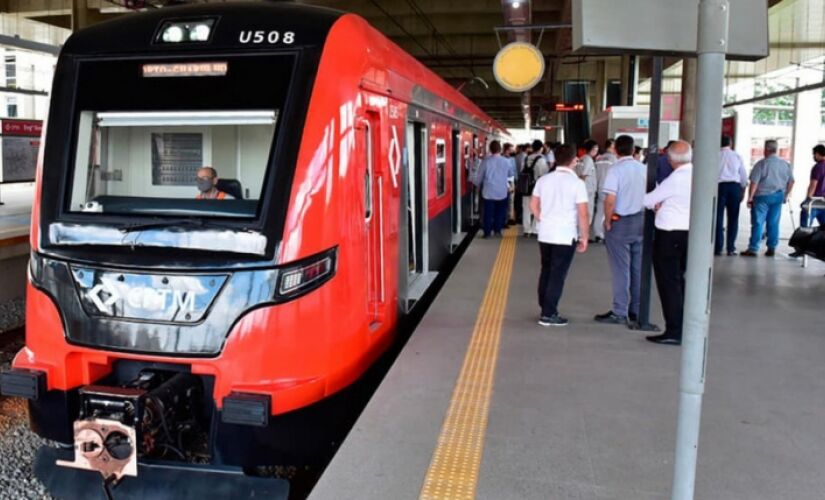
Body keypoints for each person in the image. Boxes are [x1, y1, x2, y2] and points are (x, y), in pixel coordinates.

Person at [530, 144, 589, 326]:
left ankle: (544, 306)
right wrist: (584, 236)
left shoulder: (544, 180)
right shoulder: (577, 184)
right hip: (565, 235)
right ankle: (549, 314)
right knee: (558, 274)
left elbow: (533, 205)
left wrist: (544, 218)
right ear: (574, 161)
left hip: (545, 234)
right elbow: (583, 213)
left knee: (546, 270)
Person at [642, 141, 693, 346]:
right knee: (681, 281)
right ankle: (685, 326)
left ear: (670, 160)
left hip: (670, 236)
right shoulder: (698, 175)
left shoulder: (676, 179)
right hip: (690, 234)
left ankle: (674, 330)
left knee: (668, 284)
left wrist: (658, 203)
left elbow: (648, 200)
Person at [595, 135, 646, 326]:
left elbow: (610, 200)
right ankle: (636, 309)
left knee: (620, 268)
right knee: (637, 267)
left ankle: (619, 310)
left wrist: (607, 222)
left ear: (616, 150)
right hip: (641, 220)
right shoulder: (644, 169)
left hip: (621, 222)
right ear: (634, 150)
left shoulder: (615, 170)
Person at [742, 140, 794, 257]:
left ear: (766, 149)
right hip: (778, 196)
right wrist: (786, 195)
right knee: (774, 223)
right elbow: (791, 181)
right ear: (776, 150)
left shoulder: (761, 164)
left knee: (758, 222)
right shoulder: (785, 164)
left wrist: (750, 197)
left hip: (762, 197)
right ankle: (771, 247)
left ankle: (753, 248)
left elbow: (754, 183)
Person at [473, 140, 515, 238]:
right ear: (500, 150)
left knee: (488, 213)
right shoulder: (506, 161)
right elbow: (510, 174)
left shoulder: (485, 161)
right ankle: (498, 231)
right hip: (502, 191)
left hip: (488, 192)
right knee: (500, 212)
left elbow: (479, 177)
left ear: (490, 150)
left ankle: (487, 233)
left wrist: (476, 184)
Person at [715, 135, 748, 256]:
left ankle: (717, 247)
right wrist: (743, 191)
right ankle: (731, 248)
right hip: (734, 187)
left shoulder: (715, 155)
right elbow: (743, 175)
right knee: (733, 218)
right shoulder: (737, 156)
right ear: (731, 143)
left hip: (718, 187)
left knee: (717, 218)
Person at [520, 140, 550, 237]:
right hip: (537, 188)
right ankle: (535, 230)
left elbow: (521, 172)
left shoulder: (526, 158)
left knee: (526, 209)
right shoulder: (541, 160)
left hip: (525, 188)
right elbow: (544, 175)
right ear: (541, 148)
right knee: (538, 208)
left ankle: (526, 230)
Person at [592, 139, 617, 242]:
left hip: (600, 187)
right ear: (611, 146)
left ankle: (598, 233)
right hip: (610, 189)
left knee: (600, 211)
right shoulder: (614, 159)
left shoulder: (599, 158)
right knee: (609, 211)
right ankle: (607, 232)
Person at [799, 144, 825, 228]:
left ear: (817, 154)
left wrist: (808, 199)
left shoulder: (818, 167)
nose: (813, 156)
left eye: (814, 154)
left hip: (815, 201)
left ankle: (803, 240)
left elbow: (813, 184)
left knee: (805, 227)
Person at [577, 140, 599, 238]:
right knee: (588, 212)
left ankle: (579, 234)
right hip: (587, 190)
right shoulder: (588, 160)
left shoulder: (581, 158)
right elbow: (584, 175)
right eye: (595, 148)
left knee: (580, 211)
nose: (597, 151)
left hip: (583, 190)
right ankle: (583, 235)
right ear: (591, 149)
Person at [514, 144, 528, 223]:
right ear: (526, 149)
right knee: (523, 200)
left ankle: (517, 216)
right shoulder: (526, 157)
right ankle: (520, 217)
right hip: (524, 181)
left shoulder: (516, 157)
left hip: (517, 180)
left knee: (518, 200)